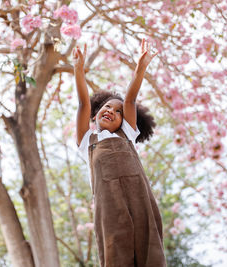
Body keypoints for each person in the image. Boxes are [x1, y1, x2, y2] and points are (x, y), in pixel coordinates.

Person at [73, 39, 166, 267]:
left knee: (148, 244)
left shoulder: (127, 134)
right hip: (109, 201)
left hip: (139, 196)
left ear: (125, 122)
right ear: (95, 115)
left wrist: (140, 68)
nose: (111, 111)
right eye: (106, 107)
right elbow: (83, 102)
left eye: (118, 111)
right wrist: (78, 69)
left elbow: (131, 98)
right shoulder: (88, 140)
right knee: (115, 246)